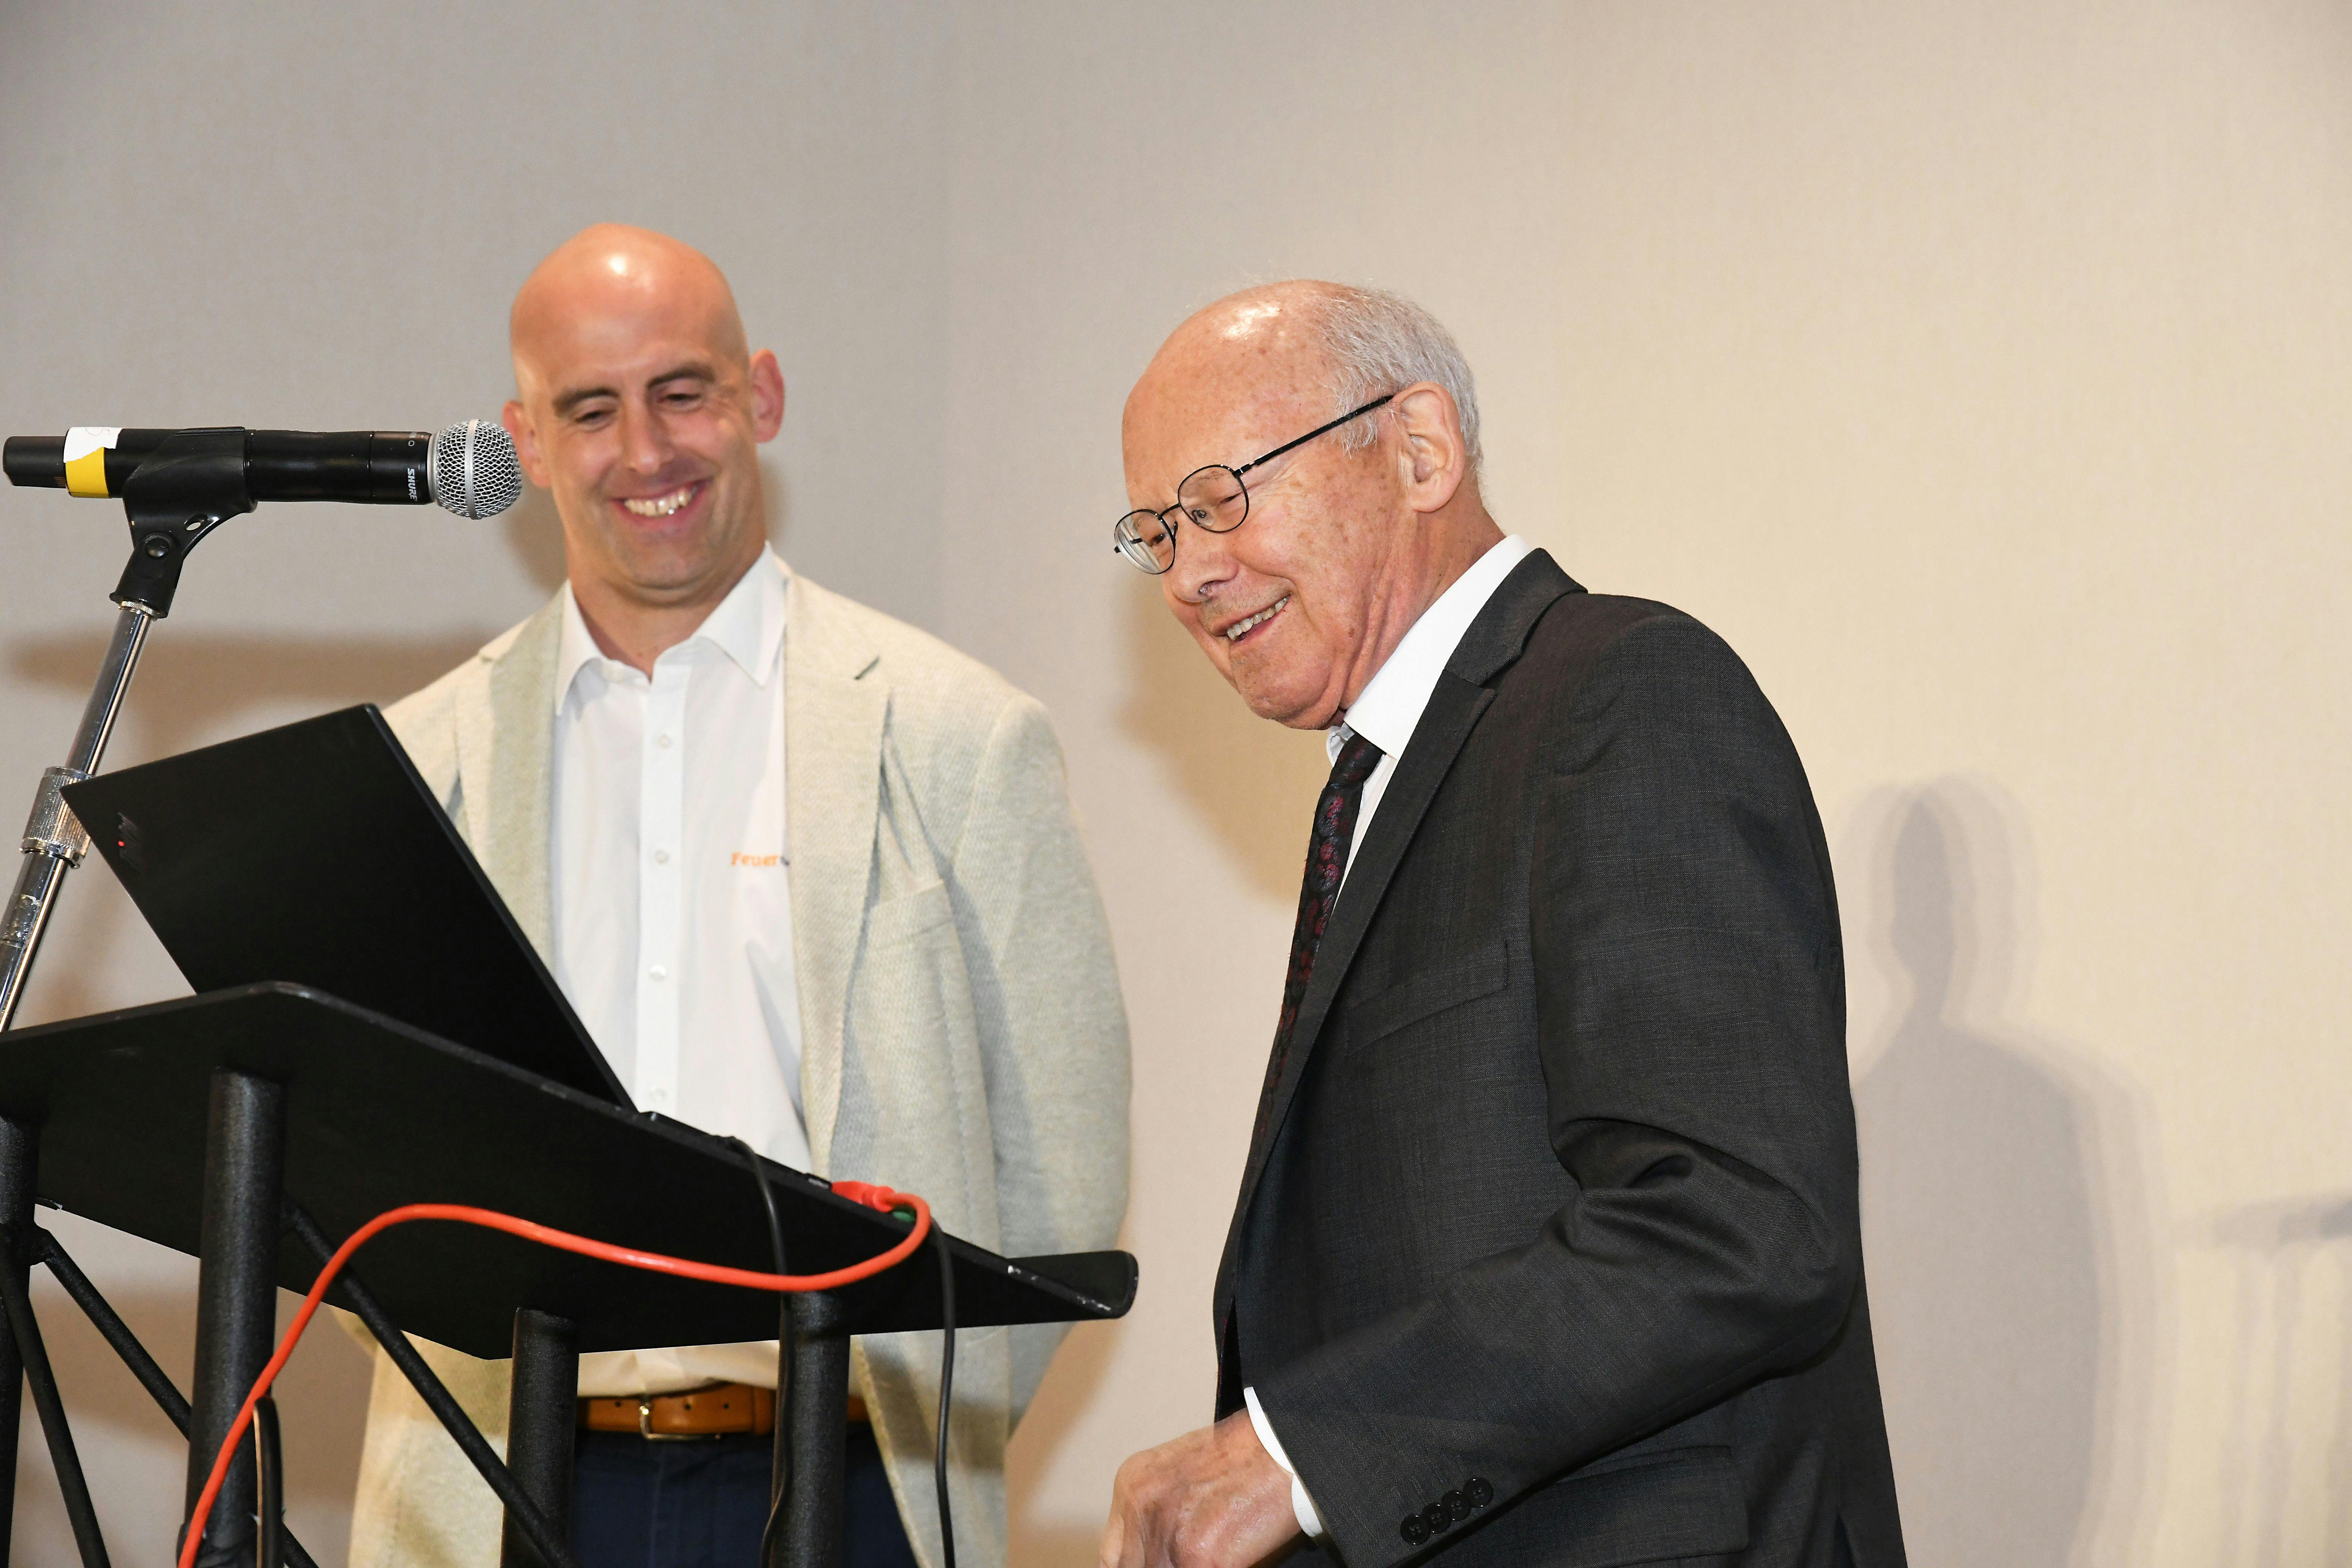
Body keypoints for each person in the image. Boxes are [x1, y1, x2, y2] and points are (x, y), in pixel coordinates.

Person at [346, 224, 1131, 1568]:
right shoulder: (424, 763)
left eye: (684, 391)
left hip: (850, 1489)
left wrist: (932, 1427)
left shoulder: (956, 735)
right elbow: (369, 1152)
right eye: (592, 410)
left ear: (760, 396)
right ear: (525, 445)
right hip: (493, 1493)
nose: (648, 452)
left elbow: (1063, 1174)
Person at [1097, 283, 1904, 1568]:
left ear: (1419, 449)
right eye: (1157, 530)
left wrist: (1304, 1452)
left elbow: (1739, 1221)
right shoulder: (1389, 782)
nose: (1191, 571)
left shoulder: (1619, 698)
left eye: (1222, 496)